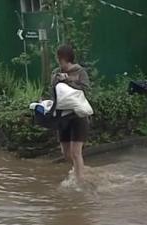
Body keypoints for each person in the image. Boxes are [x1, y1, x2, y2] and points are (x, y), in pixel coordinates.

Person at [52, 45, 90, 182]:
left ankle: (80, 181)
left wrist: (68, 80)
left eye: (59, 57)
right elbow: (53, 91)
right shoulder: (56, 72)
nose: (57, 60)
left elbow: (85, 89)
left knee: (75, 152)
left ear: (64, 58)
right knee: (66, 153)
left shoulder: (80, 72)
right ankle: (79, 169)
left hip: (77, 116)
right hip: (62, 117)